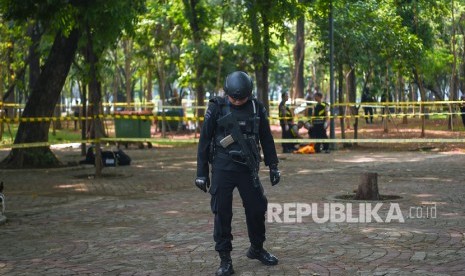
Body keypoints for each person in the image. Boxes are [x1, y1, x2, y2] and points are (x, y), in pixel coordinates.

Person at [195, 71, 281, 276]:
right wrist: (201, 173)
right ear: (227, 93)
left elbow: (266, 138)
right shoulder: (216, 107)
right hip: (223, 167)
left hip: (247, 168)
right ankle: (225, 259)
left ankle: (257, 249)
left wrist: (273, 165)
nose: (238, 101)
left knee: (257, 208)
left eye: (242, 98)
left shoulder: (256, 107)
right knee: (222, 212)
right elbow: (205, 140)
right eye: (234, 98)